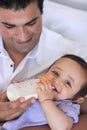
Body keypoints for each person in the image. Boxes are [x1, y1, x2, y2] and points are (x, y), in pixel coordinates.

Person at [0, 0, 87, 130]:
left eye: (31, 23)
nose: (22, 36)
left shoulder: (75, 59)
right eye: (10, 26)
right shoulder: (39, 82)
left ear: (41, 12)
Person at [2, 54, 87, 130]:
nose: (56, 81)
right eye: (55, 73)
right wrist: (16, 89)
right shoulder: (36, 85)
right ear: (46, 72)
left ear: (76, 99)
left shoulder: (66, 106)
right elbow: (11, 103)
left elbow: (62, 127)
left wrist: (46, 100)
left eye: (67, 83)